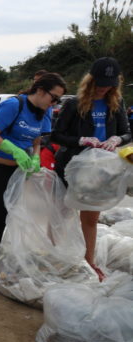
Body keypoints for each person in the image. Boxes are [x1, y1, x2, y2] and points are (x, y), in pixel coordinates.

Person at [0, 72, 67, 284]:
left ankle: (4, 260)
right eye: (54, 98)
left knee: (13, 215)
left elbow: (36, 141)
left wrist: (35, 158)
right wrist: (14, 150)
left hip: (19, 172)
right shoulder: (13, 105)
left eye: (58, 100)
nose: (55, 103)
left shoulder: (45, 111)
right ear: (41, 91)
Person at [52, 57, 132, 281]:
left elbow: (127, 132)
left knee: (91, 218)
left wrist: (118, 138)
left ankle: (89, 261)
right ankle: (58, 256)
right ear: (90, 80)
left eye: (109, 84)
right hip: (71, 168)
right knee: (63, 214)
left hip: (99, 170)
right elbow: (56, 134)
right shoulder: (73, 104)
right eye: (101, 83)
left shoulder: (116, 103)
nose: (104, 88)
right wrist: (81, 140)